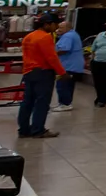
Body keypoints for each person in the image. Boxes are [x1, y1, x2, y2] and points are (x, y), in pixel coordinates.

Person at [17, 11, 65, 139]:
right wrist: (62, 73)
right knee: (41, 102)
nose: (56, 28)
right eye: (55, 25)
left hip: (28, 72)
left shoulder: (29, 36)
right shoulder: (45, 37)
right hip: (43, 73)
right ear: (47, 24)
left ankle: (24, 130)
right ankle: (38, 130)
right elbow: (52, 58)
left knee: (27, 102)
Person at [53, 18, 83, 112]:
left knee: (62, 85)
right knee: (68, 85)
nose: (59, 29)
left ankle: (65, 104)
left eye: (61, 28)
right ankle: (65, 103)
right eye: (59, 27)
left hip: (68, 65)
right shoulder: (72, 34)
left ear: (68, 28)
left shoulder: (68, 36)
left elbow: (64, 49)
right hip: (73, 65)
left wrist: (52, 55)